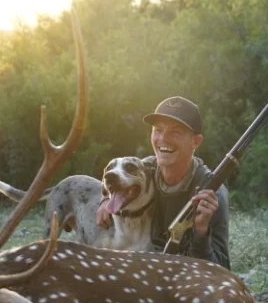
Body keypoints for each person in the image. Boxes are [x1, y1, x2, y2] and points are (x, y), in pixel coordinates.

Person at [97, 96, 231, 270]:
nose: (163, 139)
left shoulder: (213, 193)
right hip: (148, 270)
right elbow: (117, 176)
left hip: (184, 278)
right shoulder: (144, 169)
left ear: (195, 142)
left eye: (175, 132)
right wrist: (106, 198)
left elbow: (221, 271)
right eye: (158, 130)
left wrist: (201, 232)